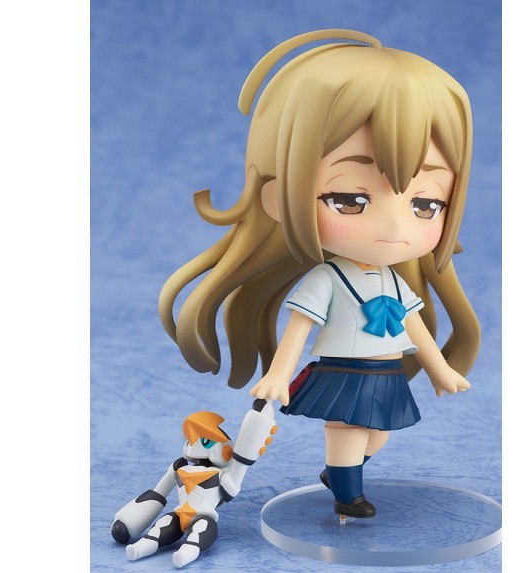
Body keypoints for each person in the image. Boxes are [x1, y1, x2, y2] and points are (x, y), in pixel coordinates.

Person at [159, 29, 480, 519]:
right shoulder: (328, 279)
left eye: (425, 204)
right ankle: (348, 494)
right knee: (347, 431)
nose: (395, 227)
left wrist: (439, 369)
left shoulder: (394, 280)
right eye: (350, 200)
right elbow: (300, 326)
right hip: (344, 371)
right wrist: (278, 375)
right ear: (278, 196)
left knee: (379, 432)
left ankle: (341, 473)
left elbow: (413, 325)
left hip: (385, 371)